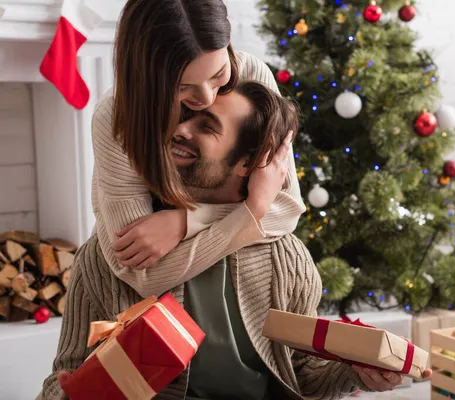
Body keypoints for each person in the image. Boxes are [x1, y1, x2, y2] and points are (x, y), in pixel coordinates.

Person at [40, 81, 431, 400]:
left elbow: (302, 374)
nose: (179, 130)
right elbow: (63, 378)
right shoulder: (112, 254)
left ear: (249, 162)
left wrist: (355, 373)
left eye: (206, 126)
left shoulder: (287, 259)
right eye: (186, 116)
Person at [92, 0, 305, 298]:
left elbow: (286, 207)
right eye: (182, 87)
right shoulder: (116, 119)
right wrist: (252, 210)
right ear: (145, 79)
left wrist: (186, 222)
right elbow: (141, 274)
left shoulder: (250, 75)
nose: (205, 96)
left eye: (218, 74)